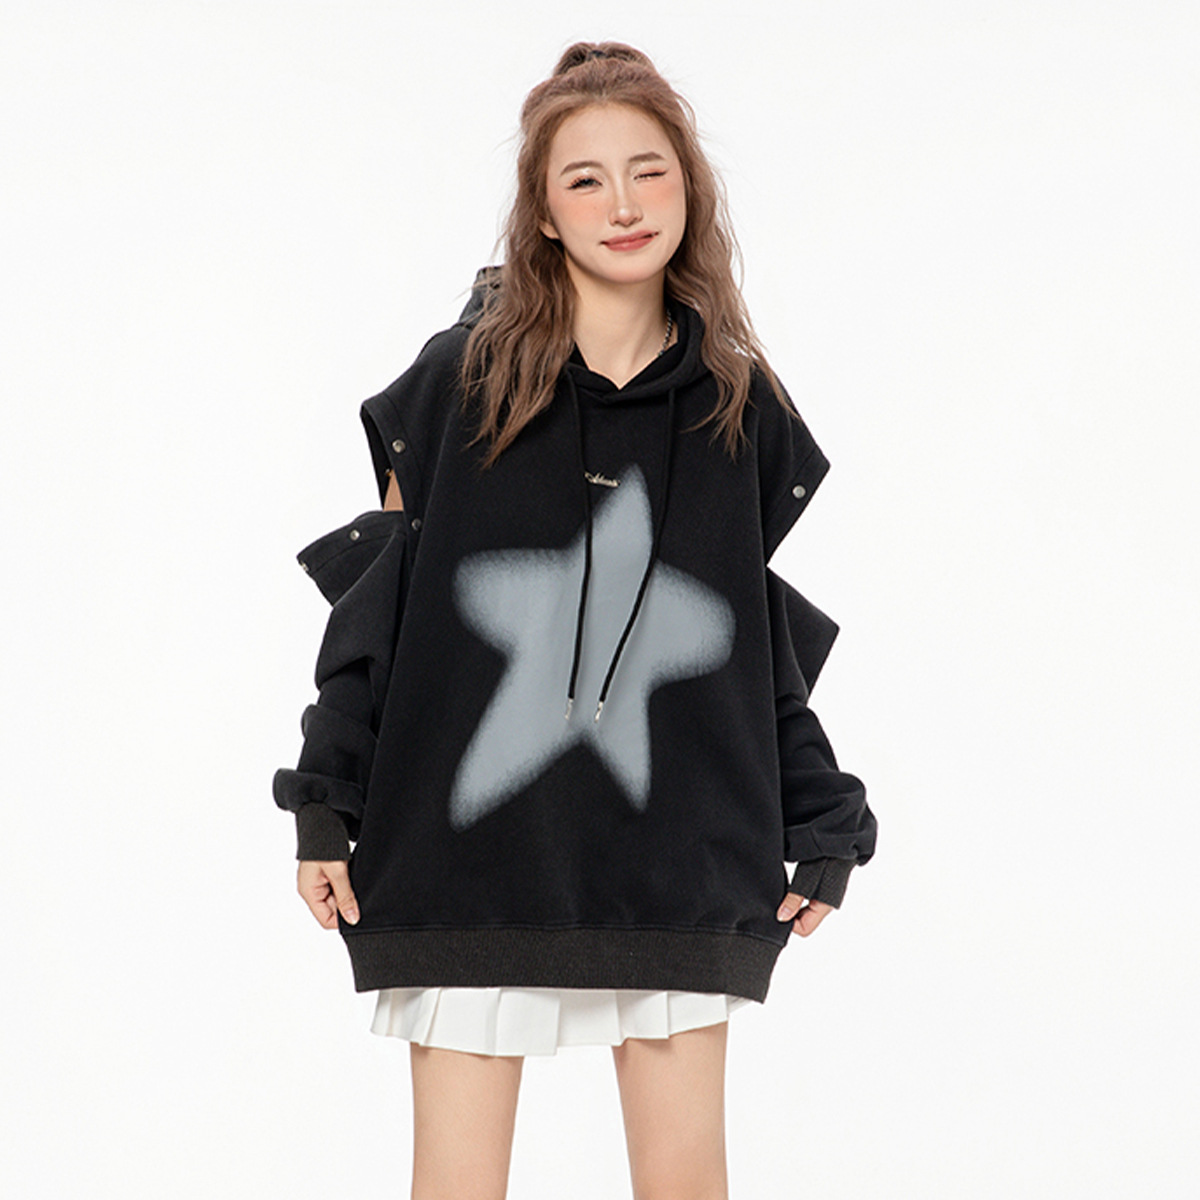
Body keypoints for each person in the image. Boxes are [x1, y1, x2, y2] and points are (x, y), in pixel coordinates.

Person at [273, 40, 876, 1200]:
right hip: (464, 846)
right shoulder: (455, 387)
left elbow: (747, 653)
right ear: (543, 214)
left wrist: (822, 815)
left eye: (649, 172)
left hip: (680, 846)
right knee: (457, 1179)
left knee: (686, 1175)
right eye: (585, 179)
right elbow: (376, 615)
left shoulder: (738, 410)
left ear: (689, 188)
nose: (624, 205)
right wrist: (323, 803)